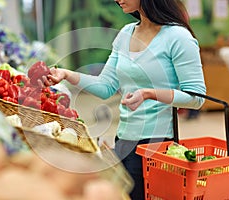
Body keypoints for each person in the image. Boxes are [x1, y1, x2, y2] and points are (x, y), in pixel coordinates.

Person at [39, 0, 206, 199]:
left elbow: (196, 97)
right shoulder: (126, 33)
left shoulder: (178, 37)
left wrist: (149, 93)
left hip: (156, 145)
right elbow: (106, 86)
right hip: (124, 141)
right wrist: (67, 75)